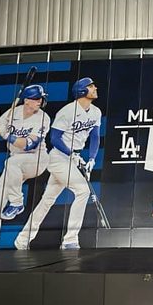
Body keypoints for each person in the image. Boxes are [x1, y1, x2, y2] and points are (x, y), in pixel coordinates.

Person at [14, 77, 102, 250]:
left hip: (74, 158)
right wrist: (72, 154)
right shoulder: (67, 111)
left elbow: (95, 137)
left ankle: (22, 239)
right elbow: (54, 138)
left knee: (47, 200)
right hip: (59, 158)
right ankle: (70, 240)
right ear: (82, 91)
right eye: (91, 86)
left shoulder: (95, 112)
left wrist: (92, 158)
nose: (95, 88)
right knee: (83, 191)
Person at [0, 84, 51, 250]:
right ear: (26, 100)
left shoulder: (43, 118)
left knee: (12, 163)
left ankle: (17, 202)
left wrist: (6, 134)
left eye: (41, 99)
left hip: (36, 159)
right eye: (36, 99)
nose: (40, 101)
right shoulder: (13, 112)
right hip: (16, 162)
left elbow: (28, 144)